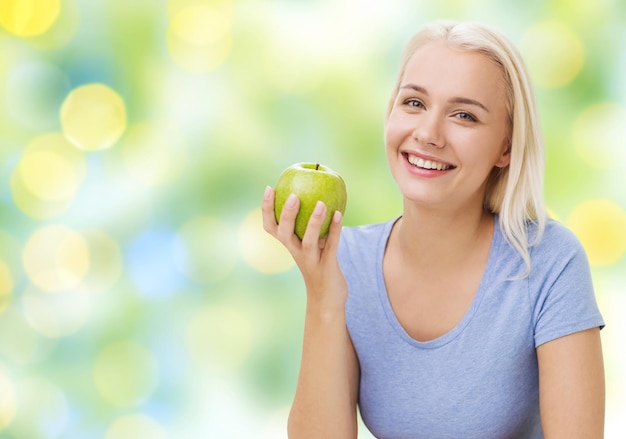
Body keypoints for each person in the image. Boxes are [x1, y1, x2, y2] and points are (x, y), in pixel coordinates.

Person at [262, 20, 605, 439]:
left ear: (506, 147)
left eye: (464, 115)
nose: (428, 134)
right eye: (413, 103)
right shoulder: (345, 259)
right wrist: (324, 297)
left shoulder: (549, 260)